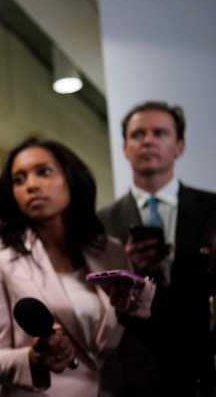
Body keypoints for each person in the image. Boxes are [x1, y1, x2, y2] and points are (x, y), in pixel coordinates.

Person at [0, 137, 156, 396]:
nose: (31, 186)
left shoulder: (112, 251)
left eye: (44, 172)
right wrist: (34, 358)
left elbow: (129, 346)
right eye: (19, 180)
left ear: (70, 178)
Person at [97, 100, 216, 396]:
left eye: (160, 133)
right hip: (132, 370)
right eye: (138, 135)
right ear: (125, 148)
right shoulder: (100, 221)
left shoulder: (213, 208)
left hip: (203, 363)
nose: (148, 140)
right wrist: (127, 266)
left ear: (180, 146)